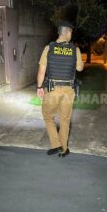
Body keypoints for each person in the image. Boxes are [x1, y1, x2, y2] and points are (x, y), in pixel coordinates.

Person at [37, 20, 84, 157]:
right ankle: (63, 149)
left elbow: (41, 71)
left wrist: (39, 87)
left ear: (59, 32)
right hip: (68, 90)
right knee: (65, 120)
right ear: (68, 32)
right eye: (71, 32)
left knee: (48, 116)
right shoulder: (75, 50)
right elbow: (79, 68)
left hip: (52, 89)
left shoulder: (49, 48)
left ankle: (56, 144)